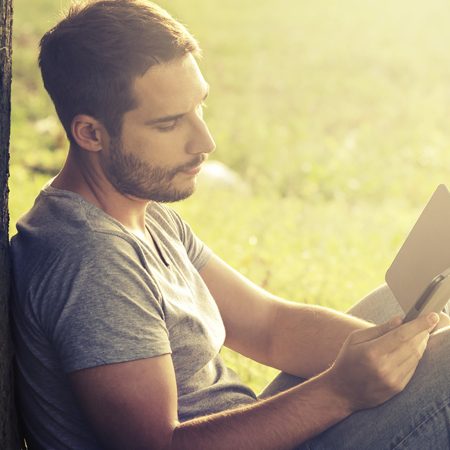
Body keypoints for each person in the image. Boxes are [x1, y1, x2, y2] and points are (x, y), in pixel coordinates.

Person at [10, 1, 450, 449]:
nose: (205, 142)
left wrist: (397, 351)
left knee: (404, 312)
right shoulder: (91, 262)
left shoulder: (142, 211)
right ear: (90, 134)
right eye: (169, 124)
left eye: (199, 107)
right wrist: (340, 391)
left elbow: (269, 326)